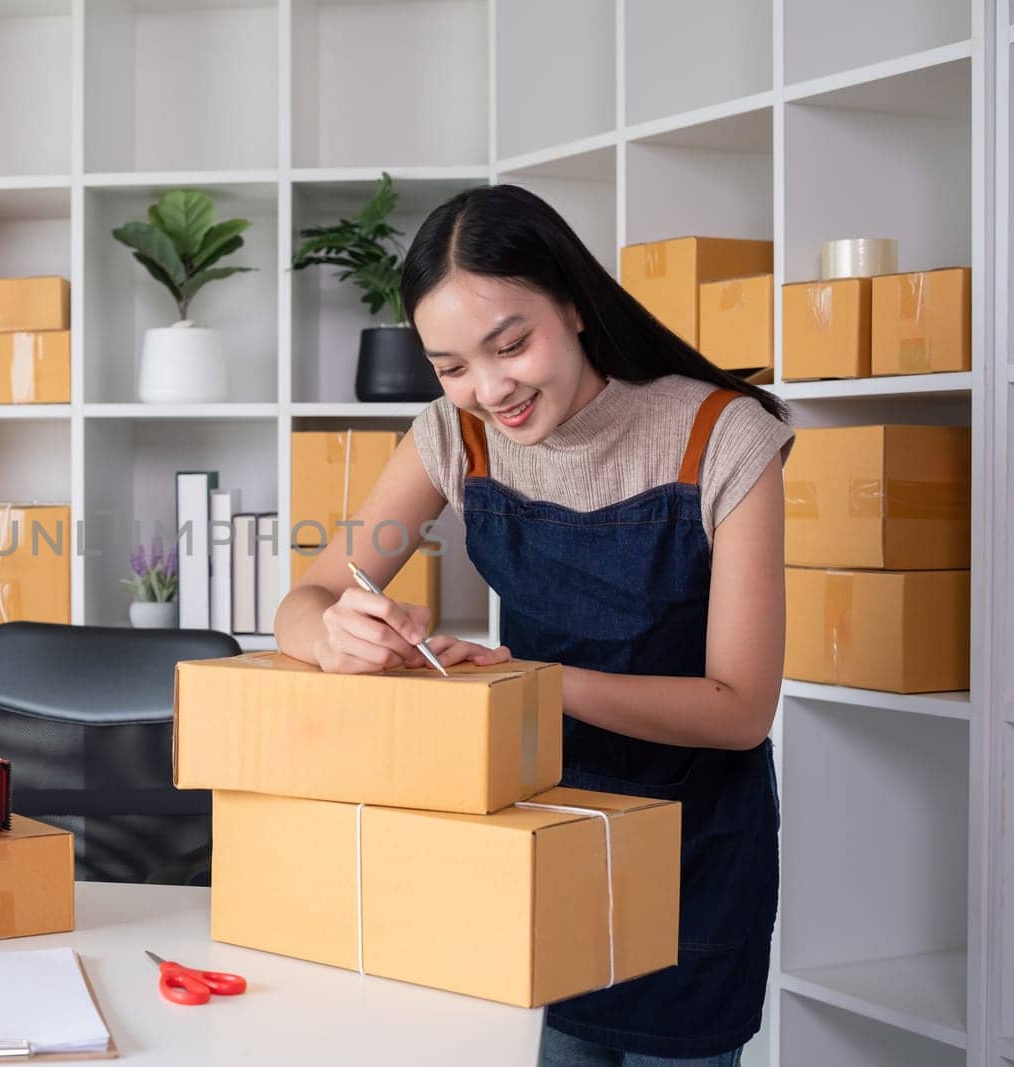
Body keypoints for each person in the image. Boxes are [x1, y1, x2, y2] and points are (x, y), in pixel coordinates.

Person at [274, 184, 792, 1065]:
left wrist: (526, 680)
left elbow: (740, 707)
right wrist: (334, 634)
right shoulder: (453, 438)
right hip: (531, 839)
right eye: (452, 366)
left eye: (511, 345)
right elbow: (308, 597)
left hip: (690, 852)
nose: (488, 390)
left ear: (577, 305)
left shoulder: (721, 437)